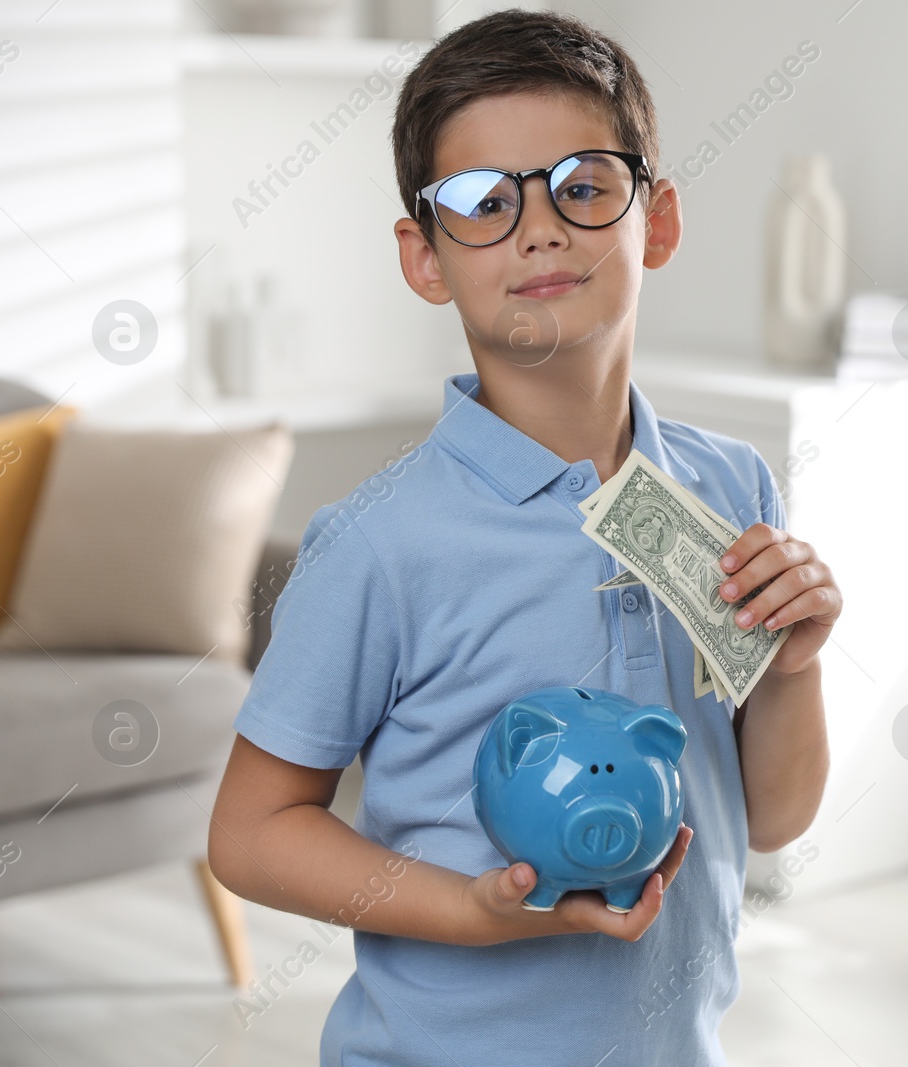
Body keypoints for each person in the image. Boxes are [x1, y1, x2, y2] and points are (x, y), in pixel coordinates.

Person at [207, 9, 843, 1065]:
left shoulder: (732, 488)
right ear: (425, 256)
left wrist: (796, 668)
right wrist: (468, 908)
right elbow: (251, 831)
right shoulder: (379, 543)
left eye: (583, 186)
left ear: (660, 219)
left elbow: (770, 817)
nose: (539, 228)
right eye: (483, 203)